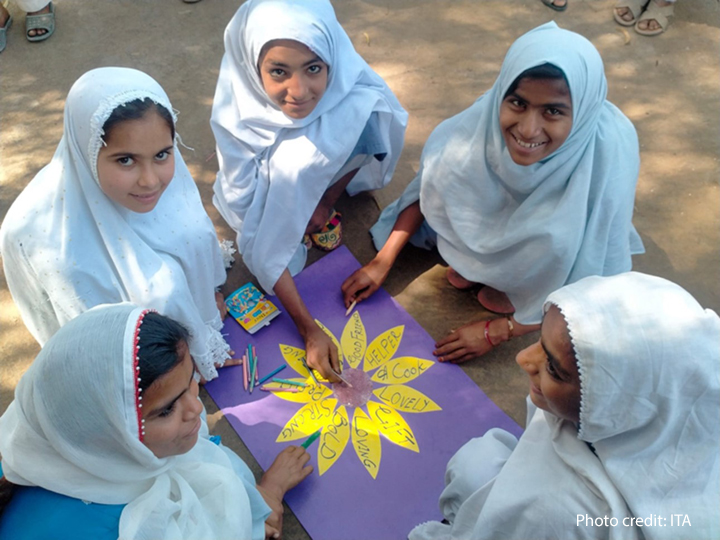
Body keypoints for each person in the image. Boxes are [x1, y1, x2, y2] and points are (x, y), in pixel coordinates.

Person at [342, 22, 644, 363]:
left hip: (549, 254)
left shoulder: (607, 155)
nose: (528, 129)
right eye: (517, 103)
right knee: (455, 173)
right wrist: (383, 262)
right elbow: (428, 187)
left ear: (584, 112)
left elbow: (591, 277)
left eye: (553, 111)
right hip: (496, 236)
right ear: (502, 93)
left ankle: (514, 282)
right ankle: (487, 266)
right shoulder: (478, 124)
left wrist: (498, 331)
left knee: (558, 237)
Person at [408, 272, 720, 540]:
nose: (523, 359)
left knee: (475, 463)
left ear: (613, 405)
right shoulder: (686, 416)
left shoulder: (551, 509)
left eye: (555, 369)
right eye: (540, 340)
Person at [210, 0, 407, 382]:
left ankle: (320, 200)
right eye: (278, 72)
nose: (298, 91)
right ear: (252, 69)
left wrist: (324, 199)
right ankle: (305, 198)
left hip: (321, 174)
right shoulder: (239, 122)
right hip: (274, 178)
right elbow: (254, 234)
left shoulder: (349, 91)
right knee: (288, 172)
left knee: (369, 110)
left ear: (332, 60)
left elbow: (372, 133)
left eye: (313, 68)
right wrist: (307, 327)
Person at [0, 304, 312, 539]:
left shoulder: (62, 448)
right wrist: (267, 496)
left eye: (191, 379)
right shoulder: (135, 526)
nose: (195, 408)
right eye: (166, 410)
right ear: (107, 435)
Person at [0, 67, 233, 381]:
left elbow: (194, 238)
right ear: (86, 151)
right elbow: (101, 352)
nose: (151, 181)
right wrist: (183, 365)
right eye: (126, 160)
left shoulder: (171, 186)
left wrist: (202, 303)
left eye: (163, 154)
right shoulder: (54, 252)